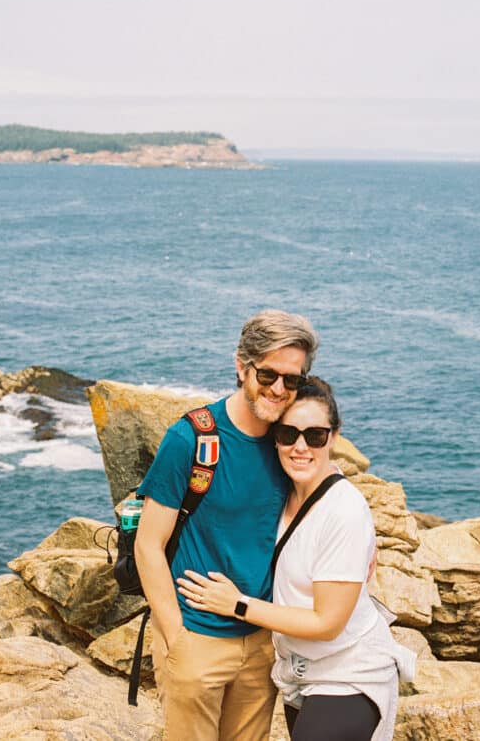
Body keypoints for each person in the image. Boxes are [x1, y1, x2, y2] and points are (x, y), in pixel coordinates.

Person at [177, 377, 415, 741]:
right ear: (275, 437)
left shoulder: (344, 511)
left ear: (333, 437)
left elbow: (327, 623)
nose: (300, 446)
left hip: (349, 673)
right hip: (299, 673)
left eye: (315, 436)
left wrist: (237, 605)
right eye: (288, 434)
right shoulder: (280, 492)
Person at [134, 309, 320, 741]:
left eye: (291, 380)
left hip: (261, 640)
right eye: (268, 374)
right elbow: (148, 544)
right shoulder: (190, 439)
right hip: (195, 638)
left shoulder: (289, 445)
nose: (278, 389)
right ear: (241, 366)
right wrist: (175, 637)